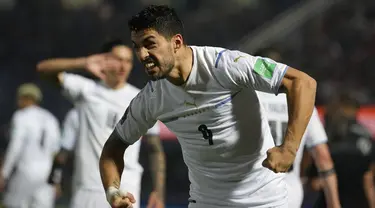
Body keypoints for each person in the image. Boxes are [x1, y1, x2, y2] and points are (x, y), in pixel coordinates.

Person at [99, 5, 317, 208]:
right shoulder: (151, 98)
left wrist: (289, 148)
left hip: (264, 200)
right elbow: (112, 148)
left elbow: (302, 82)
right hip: (206, 202)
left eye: (150, 44)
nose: (142, 55)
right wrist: (112, 191)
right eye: (137, 47)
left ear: (176, 43)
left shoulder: (227, 65)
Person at [37, 40, 165, 208]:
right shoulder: (86, 90)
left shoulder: (141, 98)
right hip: (87, 188)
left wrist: (159, 192)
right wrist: (83, 63)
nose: (122, 66)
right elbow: (43, 69)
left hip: (127, 188)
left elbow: (155, 149)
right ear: (103, 60)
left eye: (127, 61)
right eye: (117, 59)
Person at [256, 91, 341, 208]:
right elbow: (323, 158)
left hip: (251, 194)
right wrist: (334, 204)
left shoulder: (246, 97)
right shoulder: (302, 101)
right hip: (288, 195)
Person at [308, 94, 375, 208]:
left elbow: (314, 183)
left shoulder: (326, 140)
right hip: (359, 202)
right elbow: (368, 179)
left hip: (330, 201)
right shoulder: (366, 137)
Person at [0, 83, 60, 208]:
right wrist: (56, 181)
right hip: (47, 175)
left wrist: (4, 173)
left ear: (24, 98)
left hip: (26, 171)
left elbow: (15, 147)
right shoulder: (51, 119)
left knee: (12, 205)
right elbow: (57, 154)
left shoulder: (21, 116)